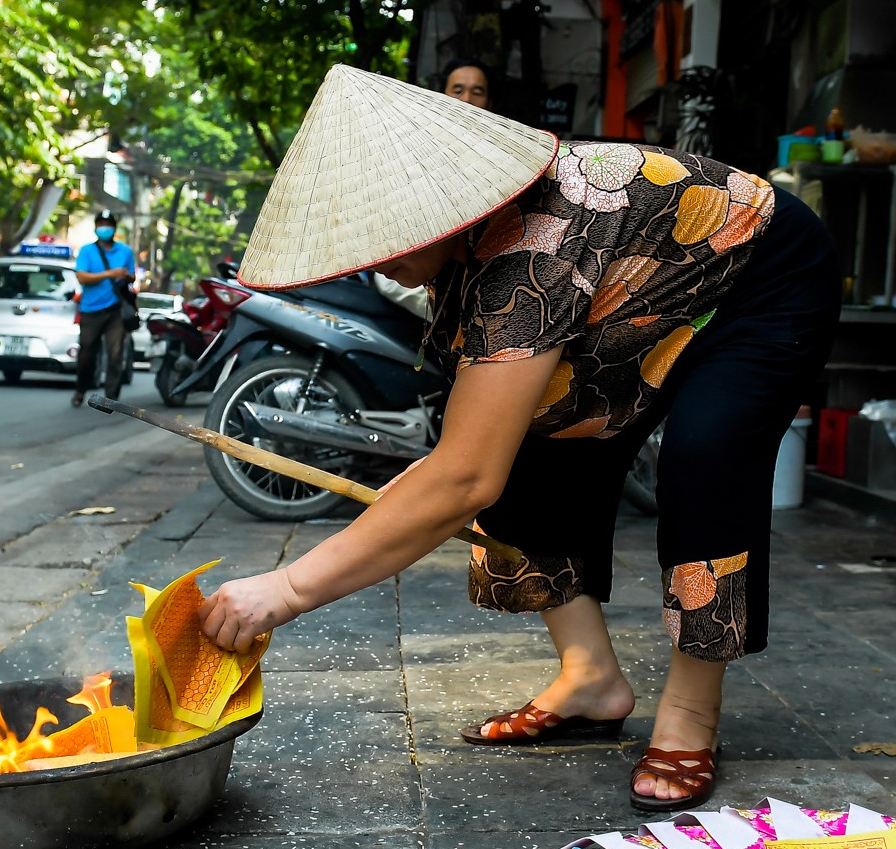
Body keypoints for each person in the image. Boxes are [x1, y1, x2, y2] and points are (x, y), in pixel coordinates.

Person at [199, 67, 840, 811]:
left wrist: (284, 589)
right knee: (525, 447)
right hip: (632, 292)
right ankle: (589, 675)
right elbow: (468, 463)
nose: (374, 259)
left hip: (759, 275)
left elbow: (464, 480)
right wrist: (434, 482)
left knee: (705, 458)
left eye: (384, 233)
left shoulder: (531, 251)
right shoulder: (474, 245)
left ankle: (693, 708)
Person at [71, 210, 137, 408]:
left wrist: (125, 276)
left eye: (108, 224)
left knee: (115, 354)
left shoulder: (125, 251)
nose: (104, 227)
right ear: (96, 227)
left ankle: (110, 399)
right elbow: (82, 277)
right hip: (90, 310)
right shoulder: (86, 251)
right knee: (87, 353)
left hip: (116, 310)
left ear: (114, 227)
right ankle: (81, 389)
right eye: (101, 224)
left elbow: (132, 276)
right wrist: (110, 273)